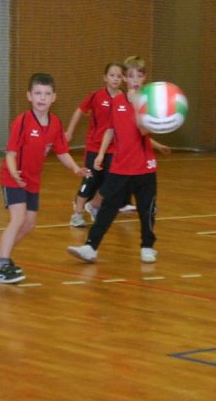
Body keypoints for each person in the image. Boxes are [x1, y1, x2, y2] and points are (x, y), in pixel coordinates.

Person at [66, 56, 169, 265]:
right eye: (130, 76)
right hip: (120, 166)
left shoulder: (149, 103)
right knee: (107, 208)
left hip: (144, 168)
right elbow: (110, 129)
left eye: (139, 76)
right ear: (125, 79)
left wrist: (136, 104)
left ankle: (147, 247)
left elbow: (143, 130)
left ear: (144, 78)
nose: (135, 80)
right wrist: (101, 153)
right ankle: (90, 247)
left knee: (146, 209)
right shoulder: (117, 101)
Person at [0, 73, 89, 284]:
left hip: (33, 180)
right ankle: (1, 267)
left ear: (54, 97)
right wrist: (14, 172)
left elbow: (62, 151)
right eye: (37, 93)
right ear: (29, 96)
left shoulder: (55, 123)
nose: (42, 98)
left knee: (29, 224)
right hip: (13, 178)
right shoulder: (22, 121)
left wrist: (75, 168)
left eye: (46, 94)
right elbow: (10, 153)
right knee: (18, 219)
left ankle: (0, 254)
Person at [64, 62, 124, 227]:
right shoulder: (96, 96)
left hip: (114, 148)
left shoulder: (125, 99)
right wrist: (69, 131)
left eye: (119, 76)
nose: (115, 79)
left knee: (112, 181)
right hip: (95, 146)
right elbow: (79, 111)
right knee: (90, 180)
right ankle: (77, 214)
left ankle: (94, 206)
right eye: (112, 75)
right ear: (105, 77)